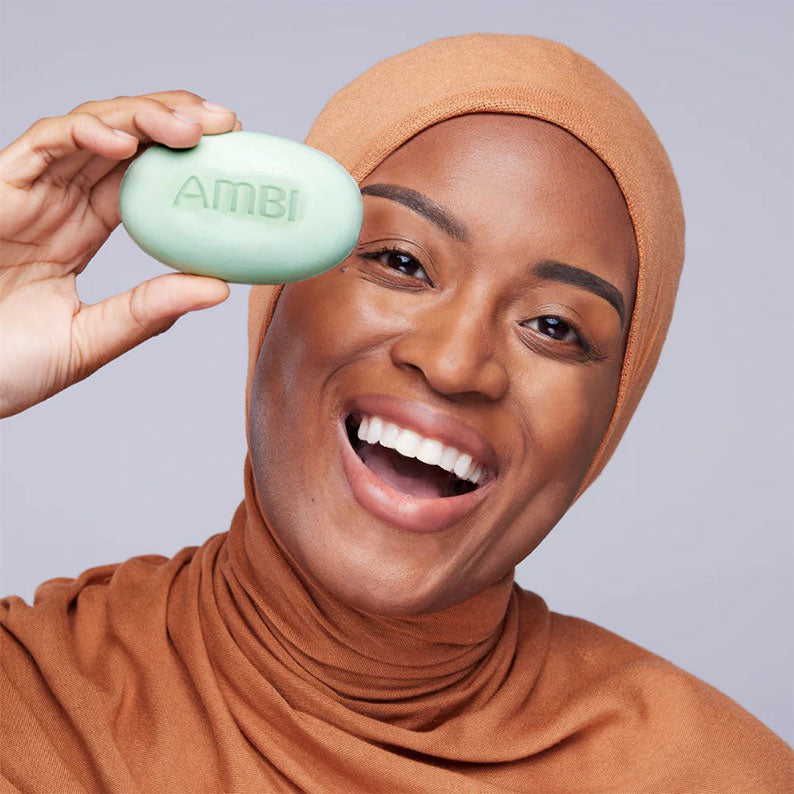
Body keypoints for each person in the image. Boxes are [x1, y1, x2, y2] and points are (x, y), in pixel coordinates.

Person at [1, 32, 792, 794]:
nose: (454, 364)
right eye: (401, 262)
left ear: (609, 417)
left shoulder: (718, 776)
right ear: (275, 295)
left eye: (554, 326)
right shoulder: (33, 701)